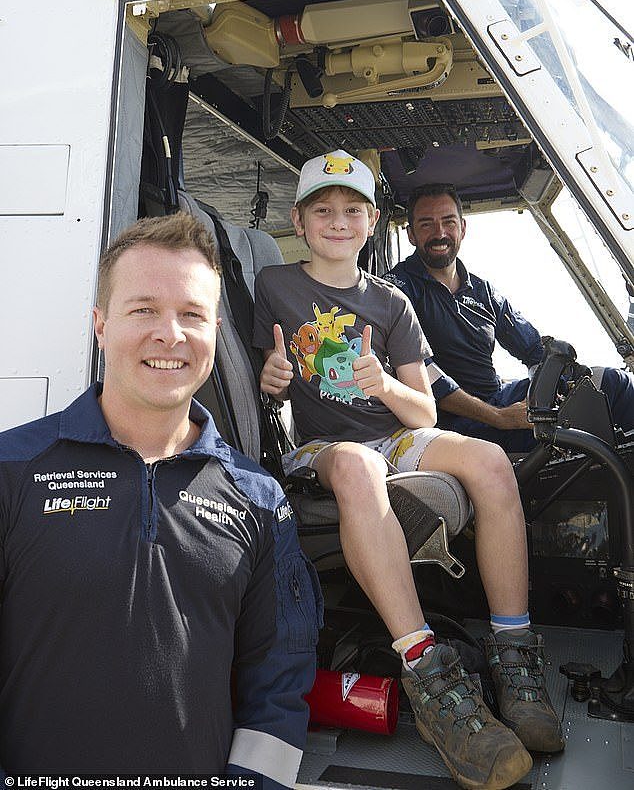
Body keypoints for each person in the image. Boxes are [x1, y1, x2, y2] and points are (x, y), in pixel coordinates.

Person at [254, 151, 563, 790]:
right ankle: (427, 672)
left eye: (351, 212)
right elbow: (272, 386)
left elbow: (422, 409)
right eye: (323, 211)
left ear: (371, 223)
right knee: (360, 464)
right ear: (299, 220)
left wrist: (384, 385)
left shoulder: (391, 301)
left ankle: (513, 654)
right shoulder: (276, 287)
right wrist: (273, 378)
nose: (337, 223)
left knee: (490, 461)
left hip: (394, 436)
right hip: (321, 448)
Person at [0, 213, 320, 785]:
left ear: (214, 331)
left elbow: (279, 678)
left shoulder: (260, 499)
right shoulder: (11, 471)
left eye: (192, 315)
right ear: (101, 324)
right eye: (143, 309)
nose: (169, 334)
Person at [386, 184, 634, 452]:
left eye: (448, 222)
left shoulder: (484, 292)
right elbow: (424, 374)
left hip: (497, 402)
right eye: (426, 225)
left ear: (463, 228)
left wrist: (551, 387)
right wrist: (500, 417)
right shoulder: (396, 290)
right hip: (450, 424)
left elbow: (533, 350)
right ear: (411, 234)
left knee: (609, 384)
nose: (440, 233)